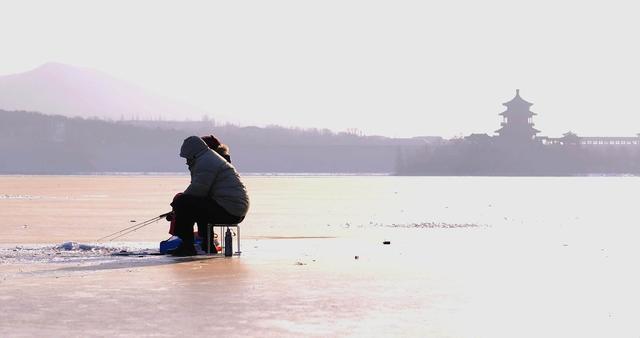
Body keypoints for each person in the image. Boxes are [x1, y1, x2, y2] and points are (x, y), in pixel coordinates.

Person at [169, 135, 249, 256]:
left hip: (230, 210)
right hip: (233, 208)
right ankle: (207, 245)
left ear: (193, 154)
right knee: (196, 205)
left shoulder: (206, 162)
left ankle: (187, 245)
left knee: (183, 202)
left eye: (187, 158)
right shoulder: (208, 158)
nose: (186, 161)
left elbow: (198, 190)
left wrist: (177, 206)